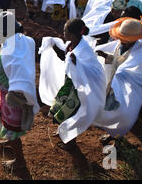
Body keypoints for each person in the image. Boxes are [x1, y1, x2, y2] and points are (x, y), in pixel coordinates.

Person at [42, 19, 106, 150]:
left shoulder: (85, 50)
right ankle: (63, 131)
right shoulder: (72, 44)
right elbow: (67, 54)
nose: (63, 33)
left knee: (72, 113)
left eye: (65, 31)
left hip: (79, 87)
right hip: (71, 83)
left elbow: (95, 70)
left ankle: (71, 142)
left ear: (72, 34)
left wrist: (78, 64)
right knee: (61, 108)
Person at [0, 12, 39, 170]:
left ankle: (19, 162)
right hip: (19, 93)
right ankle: (10, 139)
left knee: (12, 130)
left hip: (11, 98)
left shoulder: (4, 54)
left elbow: (6, 77)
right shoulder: (25, 43)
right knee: (7, 124)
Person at [95, 18, 142, 144]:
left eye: (125, 39)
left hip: (127, 91)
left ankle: (118, 140)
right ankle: (112, 133)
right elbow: (117, 60)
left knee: (123, 115)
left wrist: (124, 74)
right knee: (111, 110)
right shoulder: (120, 45)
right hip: (114, 85)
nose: (121, 40)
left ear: (135, 39)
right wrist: (106, 56)